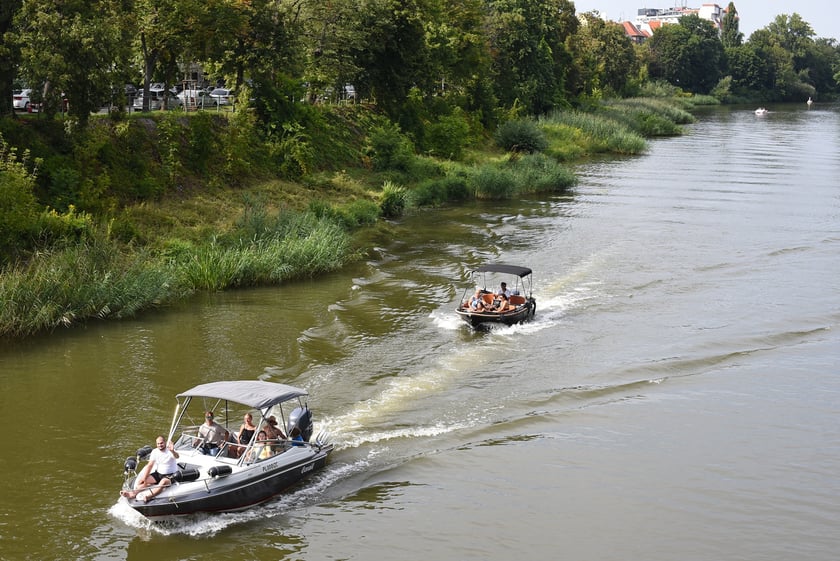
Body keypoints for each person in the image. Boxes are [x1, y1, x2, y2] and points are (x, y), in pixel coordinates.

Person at [120, 436, 179, 502]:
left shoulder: (170, 451)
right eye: (158, 444)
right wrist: (144, 479)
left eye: (161, 443)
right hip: (158, 474)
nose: (160, 445)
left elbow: (177, 456)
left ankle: (149, 496)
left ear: (165, 442)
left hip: (170, 475)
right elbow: (150, 465)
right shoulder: (155, 452)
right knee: (142, 481)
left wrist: (173, 451)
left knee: (163, 482)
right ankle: (132, 494)